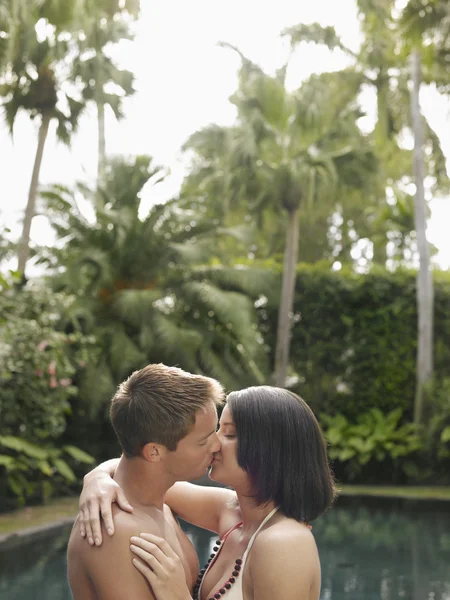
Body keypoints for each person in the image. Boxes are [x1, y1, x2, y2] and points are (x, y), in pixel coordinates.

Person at [78, 385, 336, 600]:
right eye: (217, 430)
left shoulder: (284, 543)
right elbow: (147, 474)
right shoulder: (233, 512)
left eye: (230, 433)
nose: (215, 443)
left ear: (270, 452)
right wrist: (98, 478)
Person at [67, 363, 225, 600]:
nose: (217, 445)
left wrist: (98, 473)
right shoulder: (117, 532)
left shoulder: (160, 502)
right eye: (203, 441)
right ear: (154, 452)